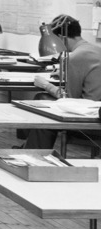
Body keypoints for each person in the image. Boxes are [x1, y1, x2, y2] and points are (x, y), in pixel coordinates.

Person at [22, 14, 101, 149]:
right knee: (41, 98)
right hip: (96, 110)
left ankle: (32, 156)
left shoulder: (75, 57)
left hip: (89, 118)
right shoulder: (95, 50)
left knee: (43, 115)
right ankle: (27, 148)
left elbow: (69, 99)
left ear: (60, 38)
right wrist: (66, 73)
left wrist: (46, 85)